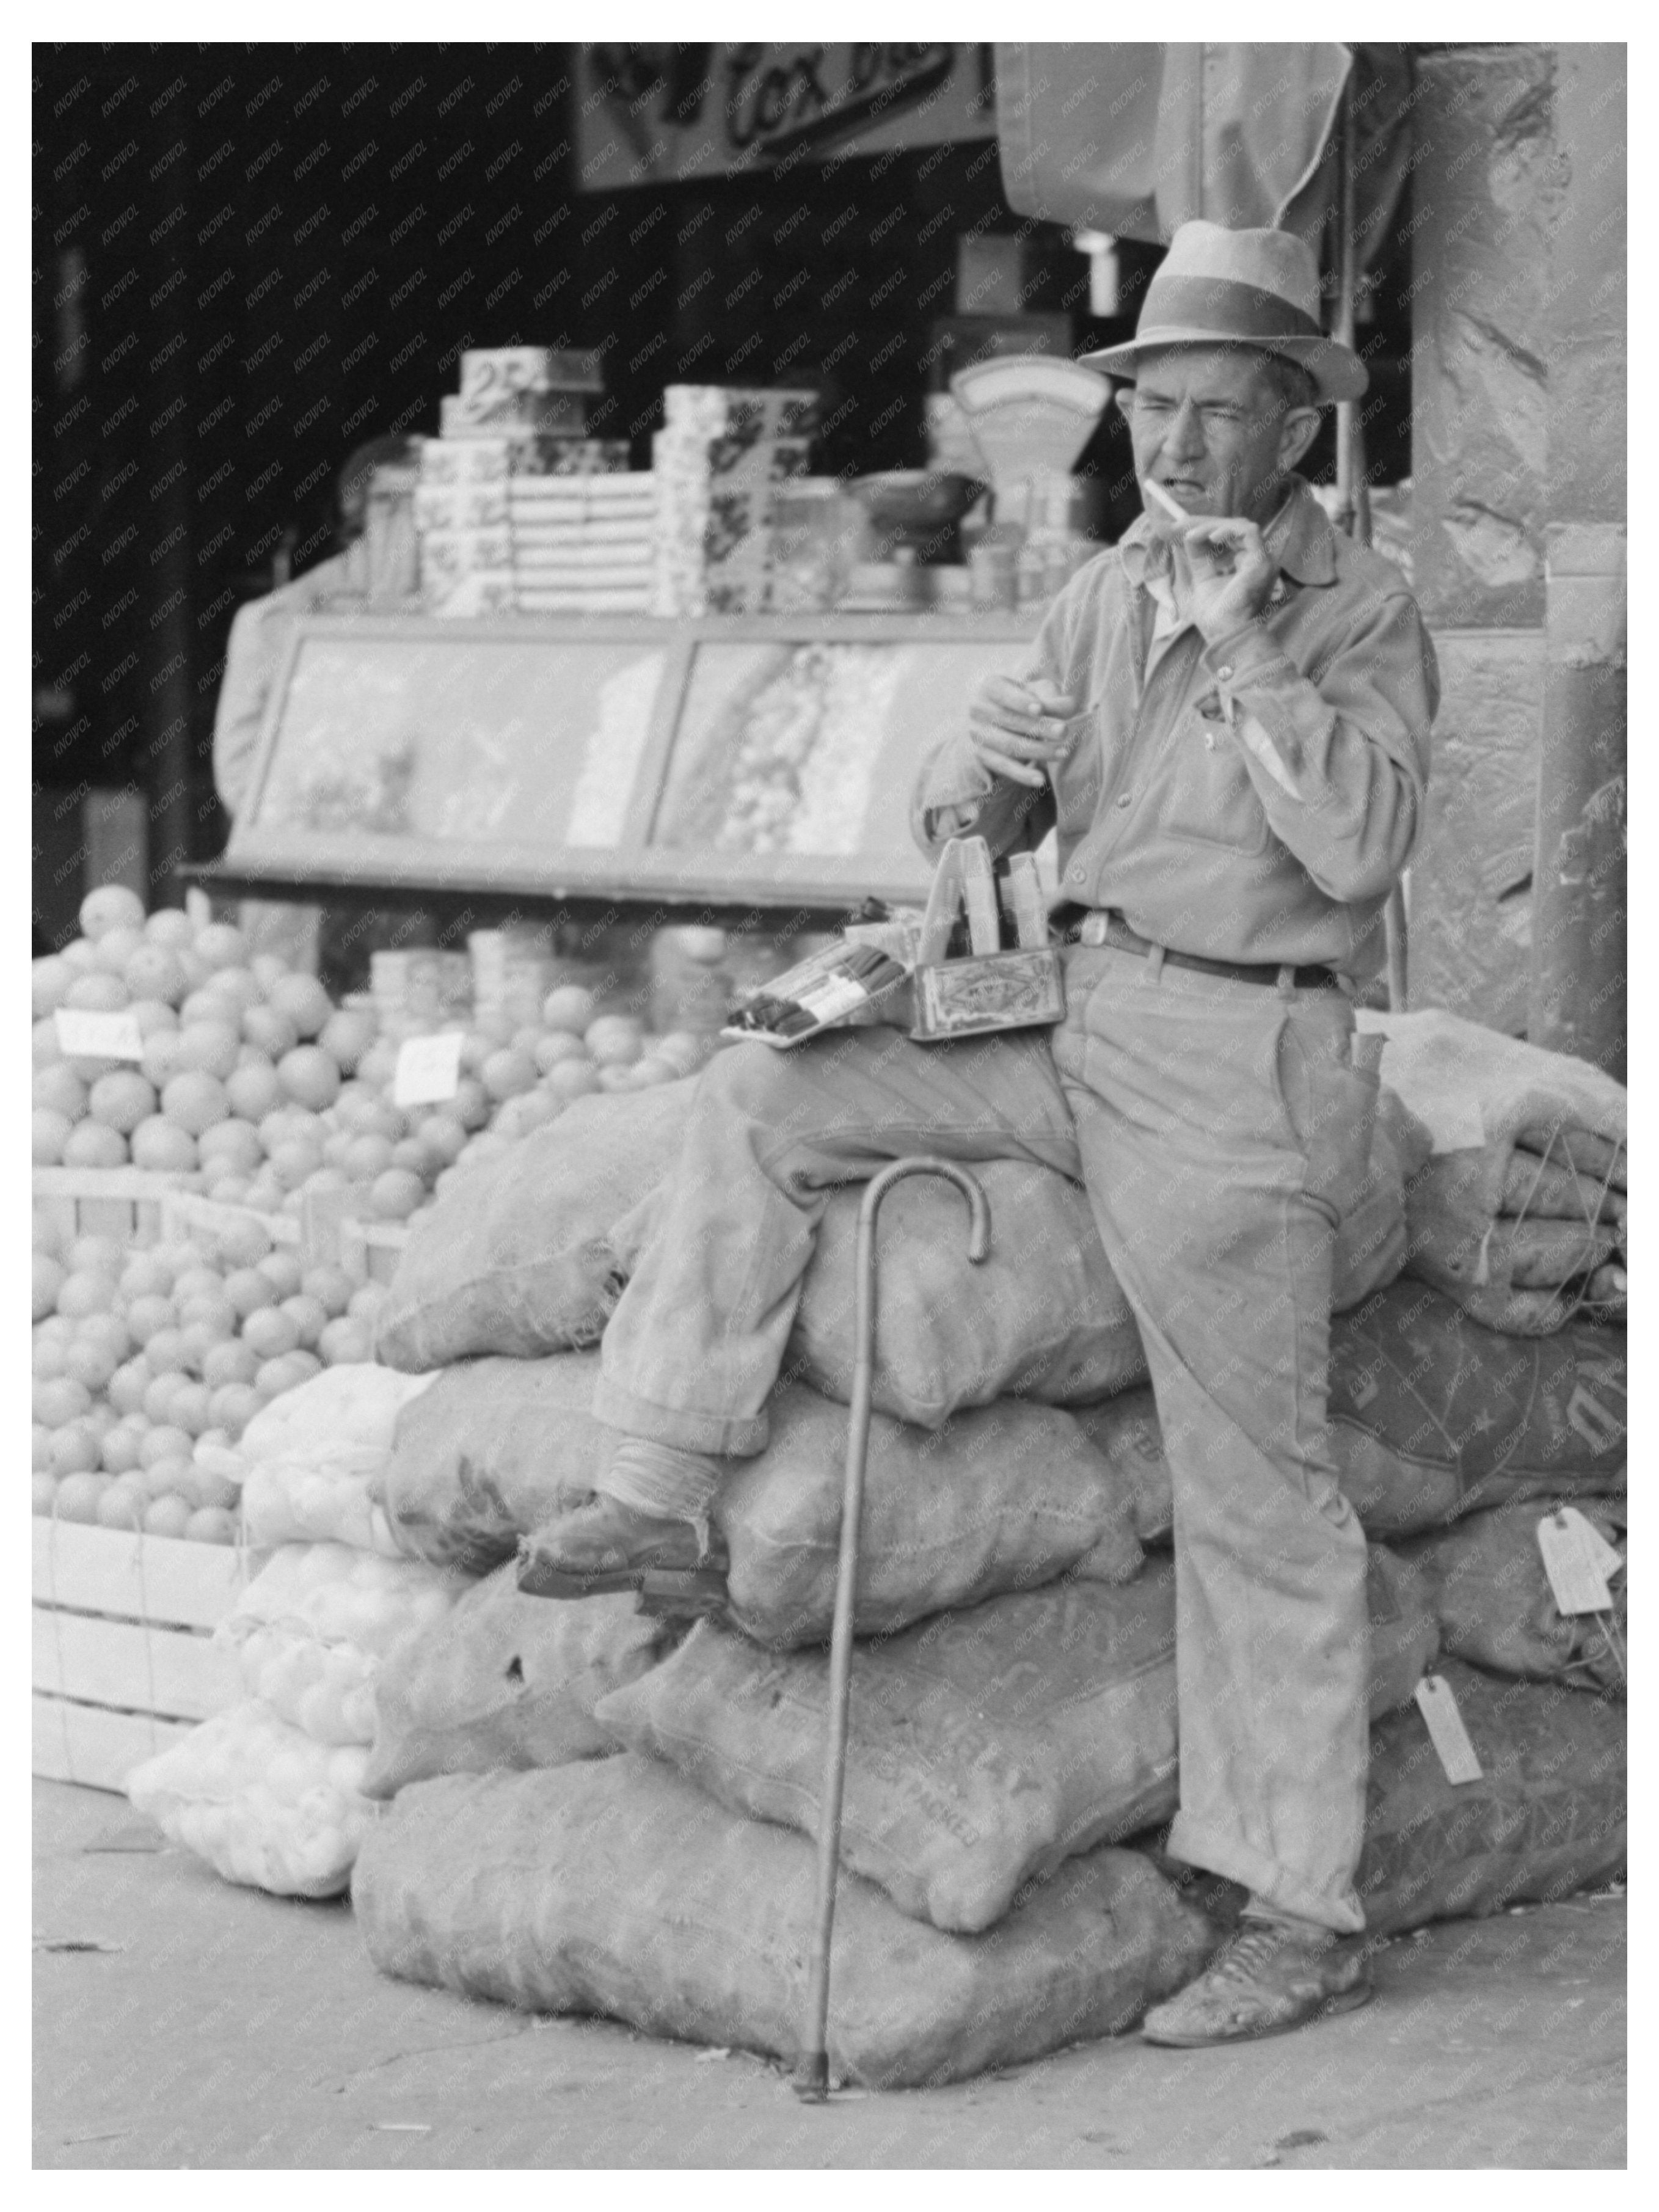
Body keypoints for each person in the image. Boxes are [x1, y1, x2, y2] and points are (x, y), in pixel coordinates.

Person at [521, 221, 1439, 2048]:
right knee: (765, 1090)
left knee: (1255, 1488)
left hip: (1234, 1051)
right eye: (1149, 412)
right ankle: (655, 1487)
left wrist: (1246, 649)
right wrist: (975, 773)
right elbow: (985, 824)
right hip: (1063, 1004)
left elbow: (1358, 854)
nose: (1169, 452)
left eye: (1207, 417)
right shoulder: (1101, 592)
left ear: (1285, 429)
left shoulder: (1358, 612)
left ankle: (1294, 1906)